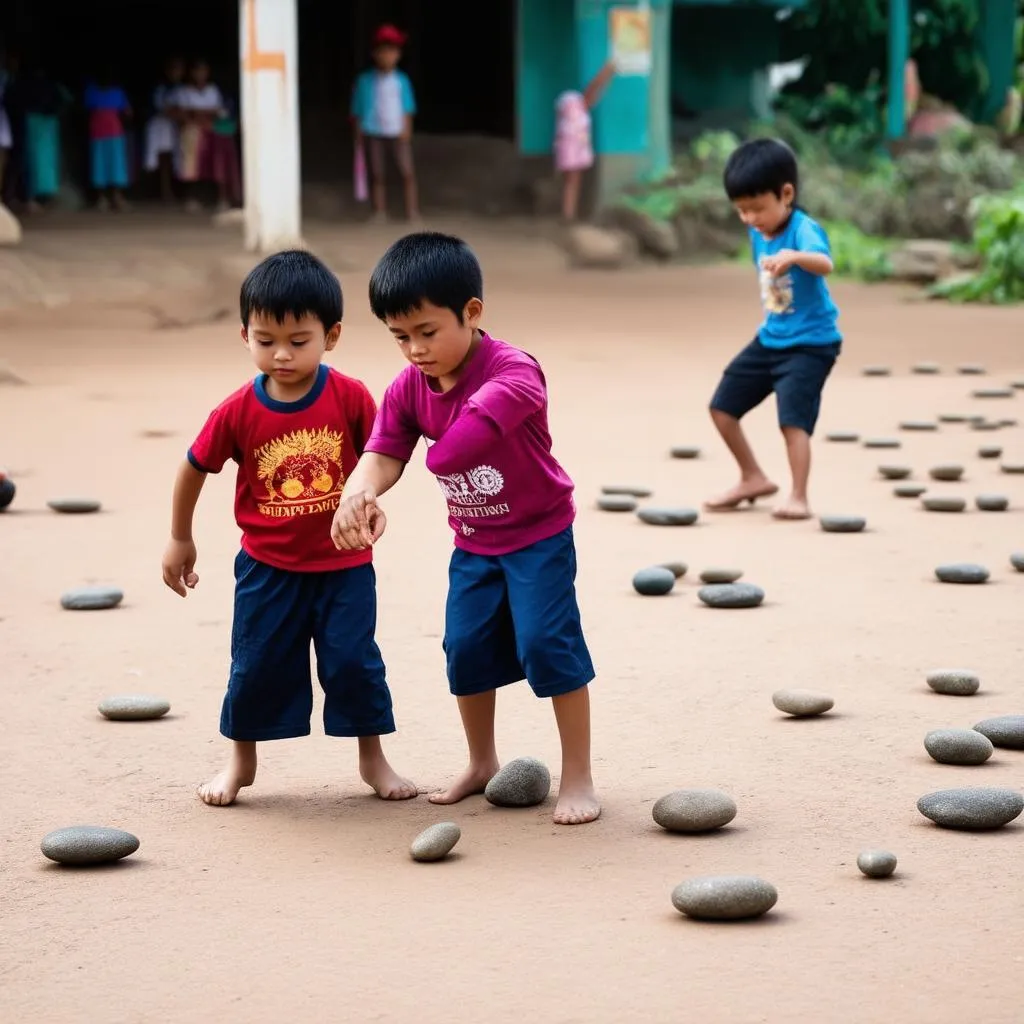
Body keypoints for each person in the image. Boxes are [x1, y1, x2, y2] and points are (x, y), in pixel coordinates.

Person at [331, 232, 600, 826]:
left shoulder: (516, 371)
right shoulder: (406, 389)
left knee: (547, 644)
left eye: (427, 332)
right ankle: (482, 763)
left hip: (539, 535)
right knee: (466, 647)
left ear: (472, 313)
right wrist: (358, 492)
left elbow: (453, 450)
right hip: (475, 542)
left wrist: (416, 462)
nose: (414, 350)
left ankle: (578, 773)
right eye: (400, 337)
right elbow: (383, 453)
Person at [160, 249, 416, 807]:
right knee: (255, 664)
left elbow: (382, 455)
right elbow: (192, 467)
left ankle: (373, 760)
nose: (281, 354)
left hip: (344, 566)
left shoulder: (349, 396)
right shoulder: (236, 410)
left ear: (332, 335)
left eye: (298, 341)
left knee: (353, 662)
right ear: (244, 335)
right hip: (267, 569)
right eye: (264, 339)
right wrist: (181, 536)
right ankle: (240, 762)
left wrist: (372, 499)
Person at [704, 138, 841, 521]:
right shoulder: (756, 230)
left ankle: (799, 496)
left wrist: (795, 256)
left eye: (757, 209)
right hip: (772, 337)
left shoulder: (802, 228)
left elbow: (824, 263)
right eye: (741, 211)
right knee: (722, 407)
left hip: (812, 344)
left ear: (787, 193)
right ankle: (752, 476)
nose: (750, 219)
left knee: (793, 421)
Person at [350, 24, 419, 222]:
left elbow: (408, 108)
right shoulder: (364, 81)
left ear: (398, 55)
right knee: (377, 174)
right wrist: (358, 134)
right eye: (384, 52)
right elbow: (357, 109)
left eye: (393, 52)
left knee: (407, 172)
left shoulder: (402, 80)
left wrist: (407, 129)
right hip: (373, 131)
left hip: (398, 132)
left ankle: (412, 212)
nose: (388, 56)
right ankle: (380, 212)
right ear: (375, 54)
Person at [554, 61, 614, 223]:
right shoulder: (577, 108)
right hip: (572, 149)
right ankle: (568, 215)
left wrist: (606, 75)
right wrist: (607, 72)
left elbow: (593, 93)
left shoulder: (569, 114)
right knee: (573, 182)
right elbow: (593, 89)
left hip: (569, 148)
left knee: (571, 182)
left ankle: (568, 213)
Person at [84, 69, 131, 210]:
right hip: (97, 134)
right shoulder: (91, 91)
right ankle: (101, 198)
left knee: (116, 166)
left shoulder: (118, 92)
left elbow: (128, 112)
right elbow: (86, 112)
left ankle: (117, 197)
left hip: (115, 134)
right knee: (99, 166)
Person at [143, 57, 185, 203]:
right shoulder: (161, 88)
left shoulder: (183, 88)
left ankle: (176, 192)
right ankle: (164, 192)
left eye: (179, 69)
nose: (176, 73)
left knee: (177, 159)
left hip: (177, 127)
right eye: (173, 69)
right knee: (163, 159)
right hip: (160, 127)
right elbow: (163, 108)